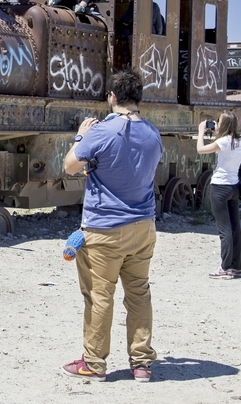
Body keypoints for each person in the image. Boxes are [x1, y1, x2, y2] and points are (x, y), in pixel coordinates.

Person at [61, 69, 161, 383]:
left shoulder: (101, 131)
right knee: (139, 294)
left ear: (112, 97)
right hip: (143, 227)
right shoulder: (153, 134)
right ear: (138, 98)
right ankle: (141, 363)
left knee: (99, 296)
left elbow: (70, 166)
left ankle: (94, 363)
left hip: (104, 229)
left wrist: (81, 136)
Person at [197, 112, 241, 279]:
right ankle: (236, 266)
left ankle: (225, 268)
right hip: (234, 187)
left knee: (224, 230)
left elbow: (200, 149)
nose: (215, 124)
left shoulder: (223, 142)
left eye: (218, 122)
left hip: (219, 187)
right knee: (235, 228)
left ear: (223, 125)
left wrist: (201, 132)